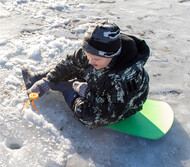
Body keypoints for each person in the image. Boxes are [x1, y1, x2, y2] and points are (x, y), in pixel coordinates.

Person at [22, 20, 150, 129]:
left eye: (96, 59)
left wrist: (87, 92)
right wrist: (48, 80)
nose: (90, 60)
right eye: (88, 56)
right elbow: (71, 62)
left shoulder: (126, 79)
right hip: (100, 79)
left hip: (119, 104)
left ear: (112, 54)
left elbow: (111, 111)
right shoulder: (96, 52)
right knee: (75, 66)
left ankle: (67, 88)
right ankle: (37, 78)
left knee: (89, 116)